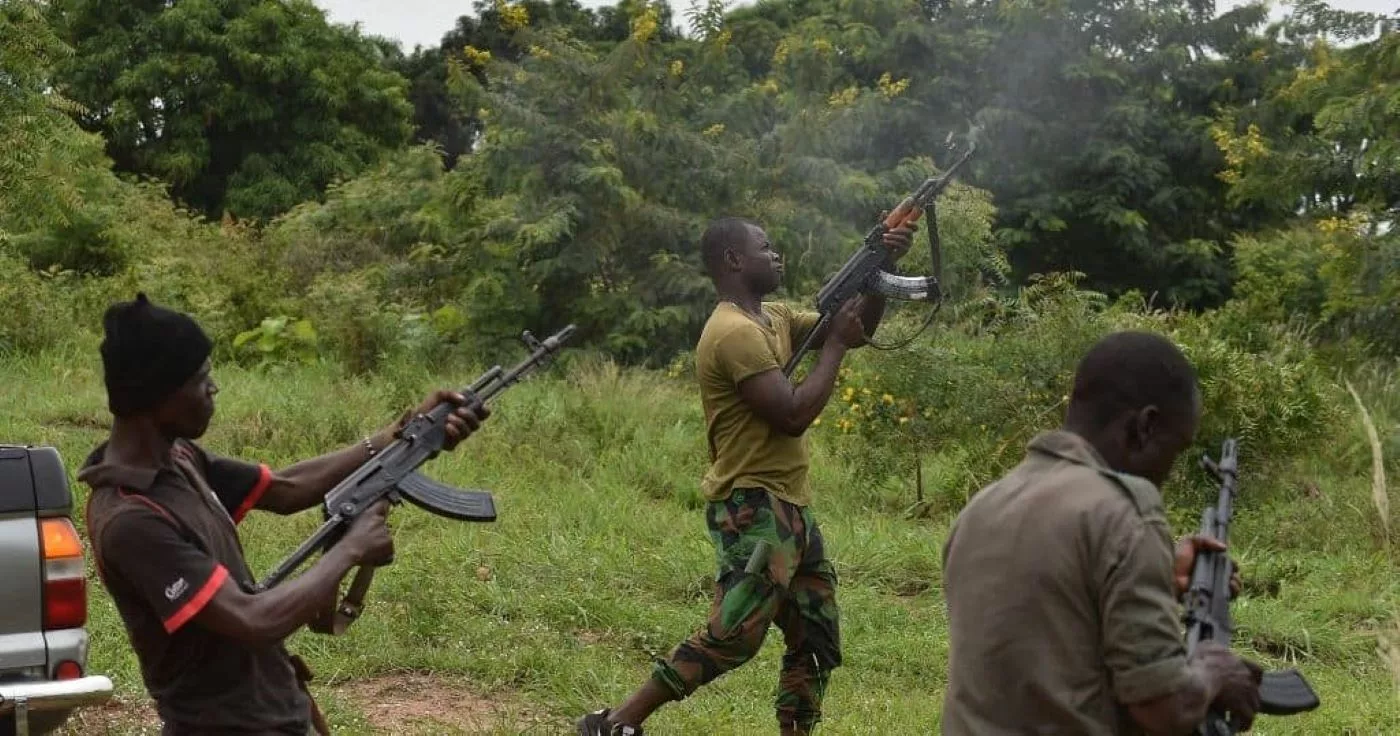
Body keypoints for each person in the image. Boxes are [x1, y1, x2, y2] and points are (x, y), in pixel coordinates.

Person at [78, 292, 490, 735]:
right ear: (158, 396)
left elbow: (286, 489)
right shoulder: (130, 519)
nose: (213, 388)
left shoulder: (175, 458)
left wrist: (402, 437)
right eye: (201, 380)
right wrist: (350, 550)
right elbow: (252, 619)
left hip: (278, 708)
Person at [577, 215, 917, 736]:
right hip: (752, 507)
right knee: (734, 632)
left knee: (816, 634)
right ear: (734, 260)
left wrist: (880, 268)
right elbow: (793, 413)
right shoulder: (731, 333)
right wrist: (835, 349)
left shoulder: (773, 317)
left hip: (790, 507)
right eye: (765, 247)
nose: (775, 254)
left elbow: (855, 327)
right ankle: (617, 723)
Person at [940, 330, 1263, 735]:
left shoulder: (982, 508)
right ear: (1144, 427)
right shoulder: (1125, 514)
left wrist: (1157, 569)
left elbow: (1049, 620)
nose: (1168, 470)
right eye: (1174, 450)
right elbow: (1162, 707)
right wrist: (1213, 671)